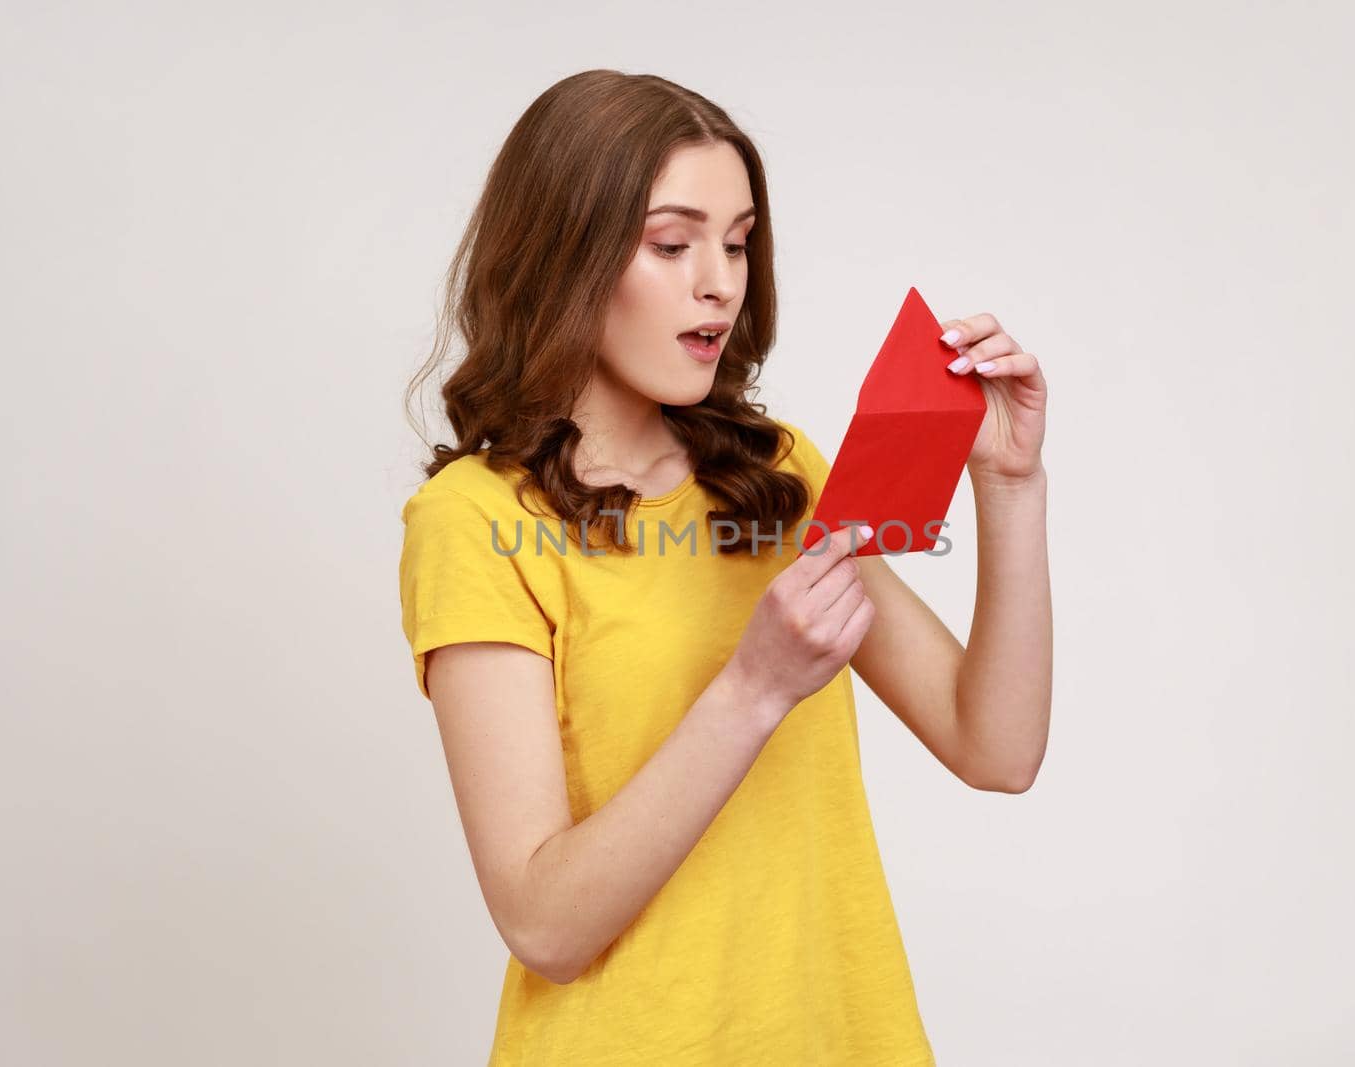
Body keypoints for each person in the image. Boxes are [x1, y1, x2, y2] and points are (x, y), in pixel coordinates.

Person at [399, 69, 1052, 1066]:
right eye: (673, 243)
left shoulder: (774, 477)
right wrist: (753, 686)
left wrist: (1008, 487)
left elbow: (994, 746)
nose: (720, 280)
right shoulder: (477, 520)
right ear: (564, 255)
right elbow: (543, 925)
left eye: (739, 242)